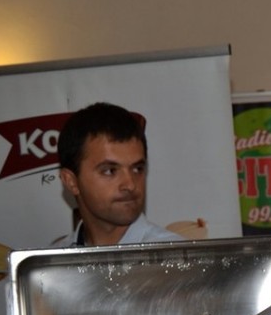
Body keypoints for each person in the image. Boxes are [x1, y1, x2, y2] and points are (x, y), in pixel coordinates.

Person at [52, 102, 184, 246]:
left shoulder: (177, 256)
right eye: (110, 171)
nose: (130, 185)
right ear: (71, 181)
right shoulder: (53, 258)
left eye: (137, 169)